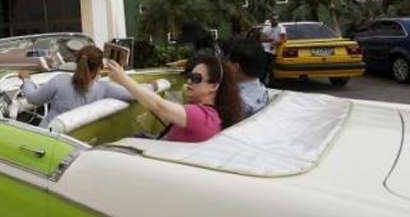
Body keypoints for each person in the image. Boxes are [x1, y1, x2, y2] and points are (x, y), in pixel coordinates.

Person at [107, 53, 242, 143]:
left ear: (214, 86)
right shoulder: (214, 116)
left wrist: (123, 79)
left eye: (196, 78)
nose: (189, 81)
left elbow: (159, 106)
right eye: (190, 76)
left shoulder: (202, 116)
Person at [18, 45, 150, 128]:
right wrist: (154, 85)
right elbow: (135, 93)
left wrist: (26, 79)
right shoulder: (104, 88)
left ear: (77, 62)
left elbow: (33, 99)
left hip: (46, 137)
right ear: (100, 68)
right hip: (75, 144)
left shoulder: (60, 80)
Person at [223, 39, 269, 118]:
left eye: (227, 60)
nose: (225, 64)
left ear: (235, 67)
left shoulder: (236, 101)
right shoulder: (261, 88)